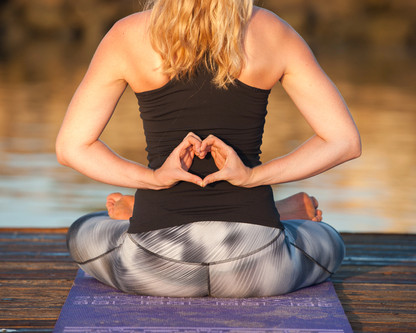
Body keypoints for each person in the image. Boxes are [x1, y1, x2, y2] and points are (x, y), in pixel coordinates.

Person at [56, 0, 361, 297]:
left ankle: (141, 207)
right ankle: (279, 215)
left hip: (156, 266)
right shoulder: (272, 30)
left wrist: (154, 179)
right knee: (329, 239)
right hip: (258, 265)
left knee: (83, 230)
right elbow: (343, 142)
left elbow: (72, 148)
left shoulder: (126, 35)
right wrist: (253, 177)